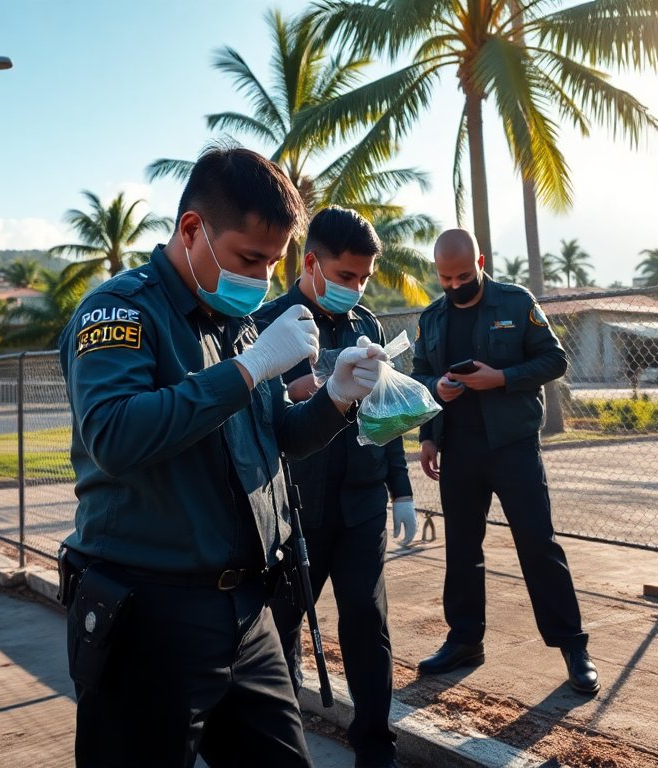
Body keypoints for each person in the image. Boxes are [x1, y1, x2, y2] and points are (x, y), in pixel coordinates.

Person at [56, 146, 387, 767]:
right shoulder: (122, 310)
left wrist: (339, 398)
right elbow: (116, 433)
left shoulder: (233, 325)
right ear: (191, 230)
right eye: (249, 258)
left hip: (248, 612)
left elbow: (276, 442)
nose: (262, 279)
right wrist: (252, 366)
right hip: (150, 613)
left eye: (273, 264)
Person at [256, 206, 417, 768]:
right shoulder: (268, 322)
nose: (356, 287)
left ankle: (376, 750)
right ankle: (269, 746)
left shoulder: (365, 325)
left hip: (362, 502)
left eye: (364, 278)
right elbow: (251, 417)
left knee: (367, 626)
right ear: (311, 263)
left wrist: (401, 490)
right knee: (277, 628)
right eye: (346, 276)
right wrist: (291, 391)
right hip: (297, 505)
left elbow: (384, 415)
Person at [410, 228, 598, 695]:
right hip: (458, 447)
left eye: (463, 275)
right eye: (445, 277)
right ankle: (464, 641)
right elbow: (420, 375)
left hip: (512, 445)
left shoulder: (515, 302)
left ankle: (573, 646)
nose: (454, 285)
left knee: (537, 543)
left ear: (481, 260)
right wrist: (430, 429)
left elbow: (554, 361)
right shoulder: (432, 317)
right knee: (462, 549)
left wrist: (502, 378)